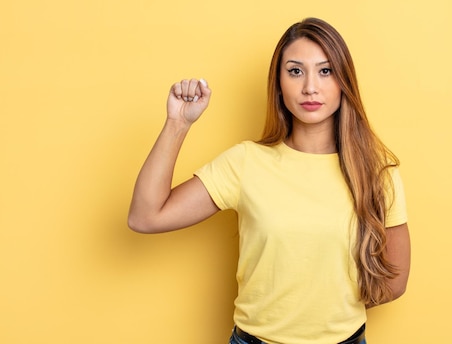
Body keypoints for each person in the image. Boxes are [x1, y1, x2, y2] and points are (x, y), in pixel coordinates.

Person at [128, 17, 410, 344]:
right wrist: (177, 123)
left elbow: (395, 282)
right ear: (278, 83)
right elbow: (145, 217)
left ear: (343, 81)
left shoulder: (377, 172)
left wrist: (326, 315)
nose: (310, 87)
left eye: (325, 70)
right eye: (295, 71)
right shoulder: (246, 163)